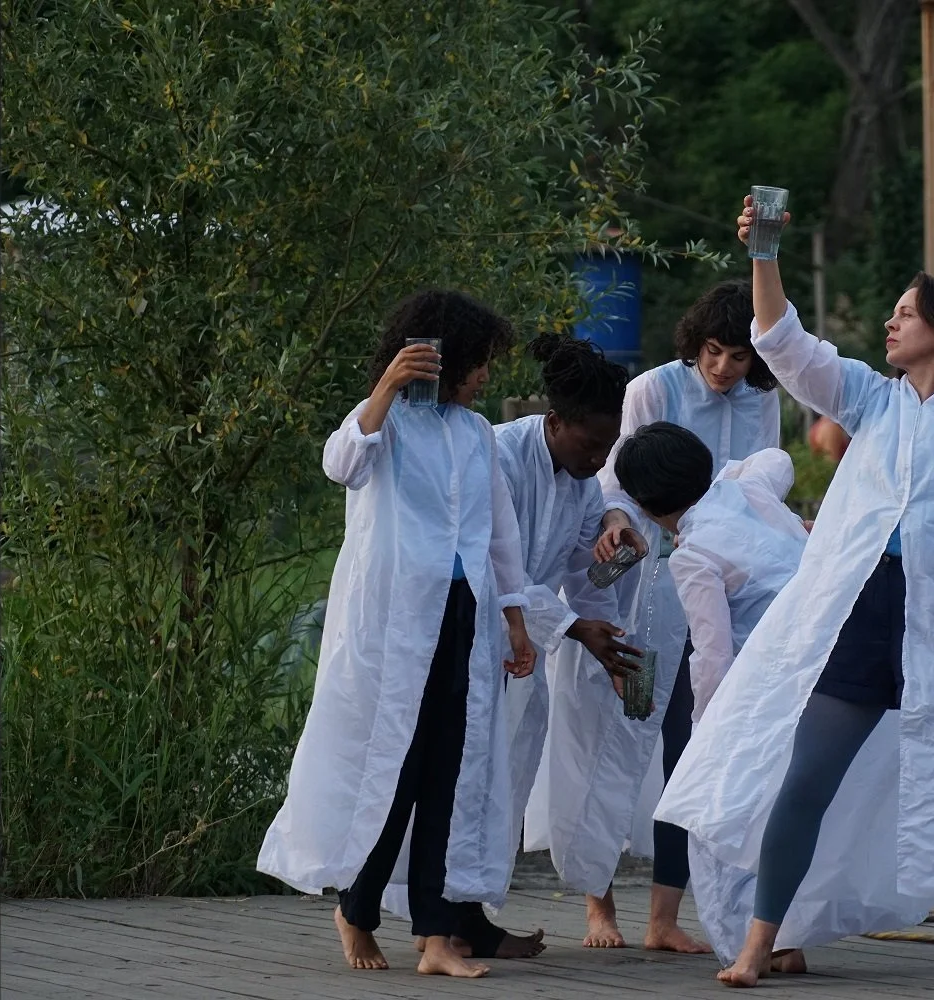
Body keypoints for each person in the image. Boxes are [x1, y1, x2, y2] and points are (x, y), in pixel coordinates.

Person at [654, 198, 934, 989]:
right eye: (891, 314)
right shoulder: (870, 399)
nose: (892, 325)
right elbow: (782, 342)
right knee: (803, 779)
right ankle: (757, 944)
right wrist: (765, 253)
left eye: (906, 314)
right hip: (860, 615)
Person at [258, 290, 537, 980]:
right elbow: (342, 464)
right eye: (478, 364)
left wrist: (516, 621)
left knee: (452, 770)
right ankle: (356, 910)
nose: (483, 377)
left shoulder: (476, 435)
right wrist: (385, 386)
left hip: (463, 615)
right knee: (396, 770)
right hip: (392, 624)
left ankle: (438, 937)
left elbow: (499, 536)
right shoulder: (382, 425)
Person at [524, 279, 781, 954]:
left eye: (740, 357)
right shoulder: (652, 389)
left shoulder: (762, 401)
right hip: (632, 570)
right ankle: (596, 903)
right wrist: (616, 532)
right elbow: (613, 474)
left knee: (690, 745)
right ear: (695, 345)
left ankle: (665, 917)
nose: (725, 368)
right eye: (715, 352)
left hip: (712, 583)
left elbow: (761, 483)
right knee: (609, 730)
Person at [406, 333, 642, 961]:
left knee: (501, 785)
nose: (598, 459)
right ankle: (438, 914)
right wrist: (569, 629)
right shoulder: (502, 457)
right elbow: (491, 564)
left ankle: (472, 912)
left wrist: (617, 556)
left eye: (607, 448)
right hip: (472, 634)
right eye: (590, 444)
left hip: (520, 648)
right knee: (461, 782)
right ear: (555, 421)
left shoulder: (585, 485)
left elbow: (582, 574)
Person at [613, 423, 810, 971]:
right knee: (787, 807)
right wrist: (736, 473)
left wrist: (707, 730)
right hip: (821, 662)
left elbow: (712, 655)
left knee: (726, 811)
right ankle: (788, 939)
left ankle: (755, 943)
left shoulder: (693, 554)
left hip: (761, 686)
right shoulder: (749, 489)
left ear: (646, 507)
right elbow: (776, 458)